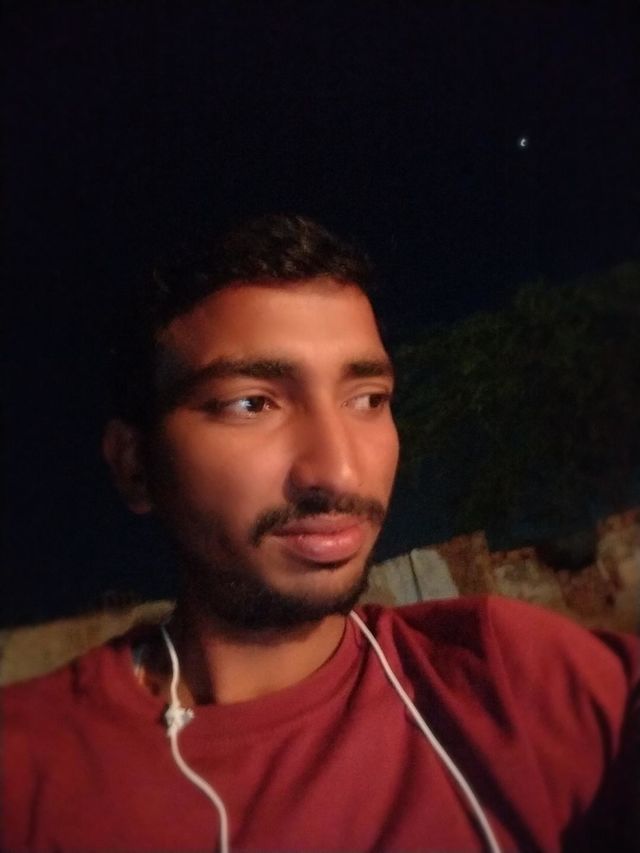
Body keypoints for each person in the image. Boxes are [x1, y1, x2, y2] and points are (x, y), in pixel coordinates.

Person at [2, 215, 638, 853]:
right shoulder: (31, 773)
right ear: (135, 466)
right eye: (251, 403)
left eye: (368, 399)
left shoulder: (502, 677)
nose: (338, 472)